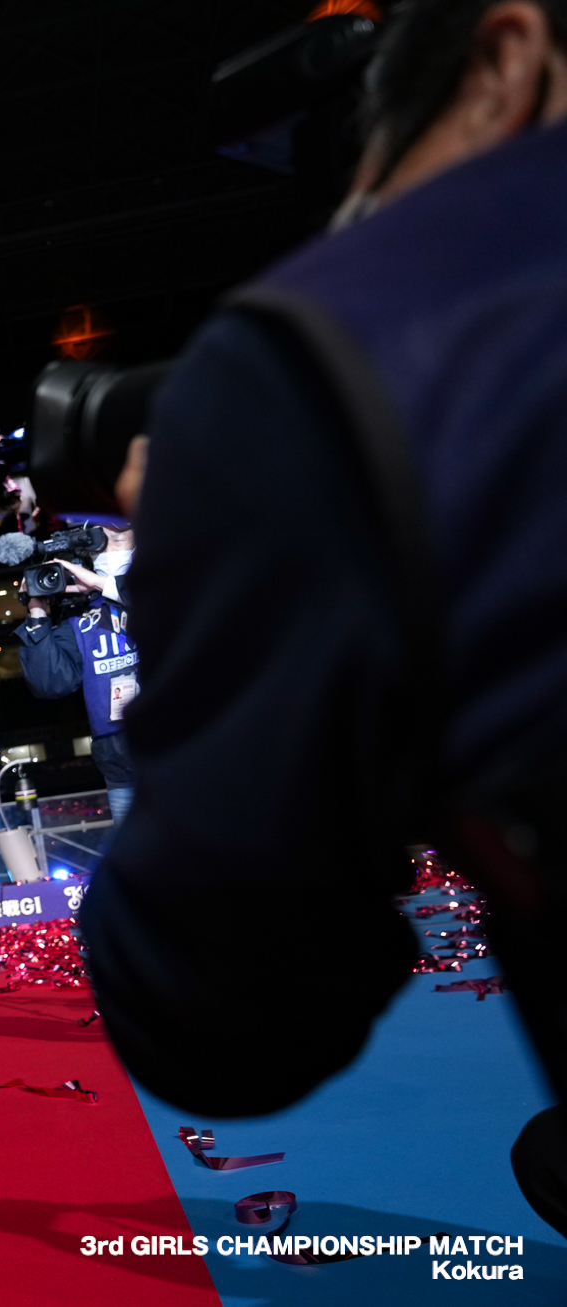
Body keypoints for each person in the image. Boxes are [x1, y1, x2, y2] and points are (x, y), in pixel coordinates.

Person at [75, 0, 567, 1228]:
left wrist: (193, 568)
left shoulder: (344, 347)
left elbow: (218, 1019)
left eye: (380, 157)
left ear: (508, 57)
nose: (358, 221)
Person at [13, 526, 139, 825]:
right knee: (146, 863)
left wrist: (102, 584)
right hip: (118, 758)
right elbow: (51, 683)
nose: (111, 535)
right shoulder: (80, 616)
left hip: (177, 741)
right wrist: (37, 609)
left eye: (120, 533)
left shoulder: (166, 579)